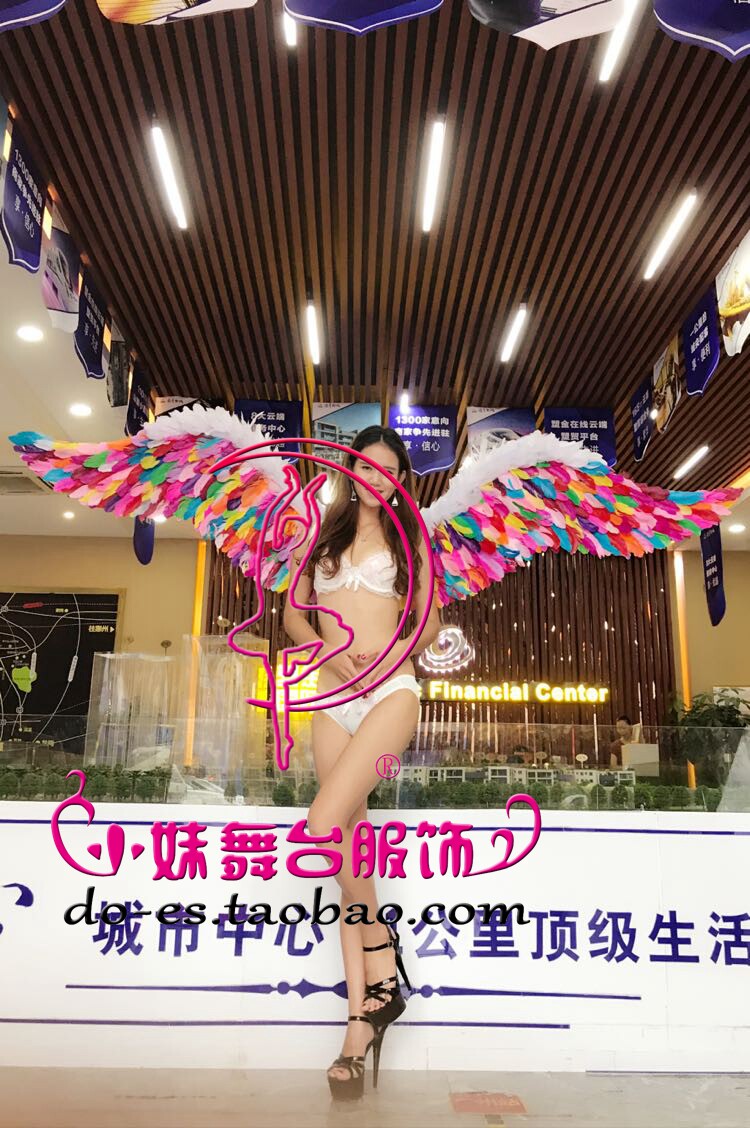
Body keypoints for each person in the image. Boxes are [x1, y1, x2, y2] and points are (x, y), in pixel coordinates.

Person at [282, 425, 441, 1101]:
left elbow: (430, 622)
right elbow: (293, 615)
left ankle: (382, 964)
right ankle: (361, 1024)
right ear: (349, 469)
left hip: (390, 691)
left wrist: (393, 650)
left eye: (389, 469)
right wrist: (325, 652)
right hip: (330, 696)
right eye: (365, 466)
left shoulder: (412, 539)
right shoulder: (321, 536)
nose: (376, 478)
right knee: (350, 858)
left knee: (322, 827)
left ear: (401, 477)